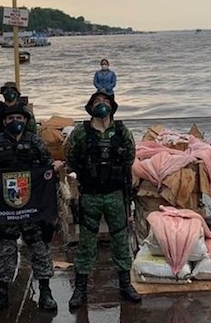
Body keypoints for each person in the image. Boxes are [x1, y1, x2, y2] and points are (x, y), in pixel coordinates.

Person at [0, 106, 58, 314]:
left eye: (19, 117)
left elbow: (47, 163)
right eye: (11, 117)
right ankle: (2, 295)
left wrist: (54, 167)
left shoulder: (35, 141)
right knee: (5, 252)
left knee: (40, 248)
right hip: (4, 208)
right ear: (4, 121)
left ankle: (45, 292)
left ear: (26, 120)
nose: (15, 120)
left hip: (33, 208)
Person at [65, 90, 142, 310]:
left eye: (105, 101)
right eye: (97, 101)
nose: (101, 104)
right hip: (90, 194)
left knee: (120, 239)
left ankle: (125, 285)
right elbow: (71, 156)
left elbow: (130, 157)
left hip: (115, 194)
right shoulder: (81, 132)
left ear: (112, 106)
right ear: (90, 107)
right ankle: (80, 288)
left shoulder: (121, 131)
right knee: (87, 242)